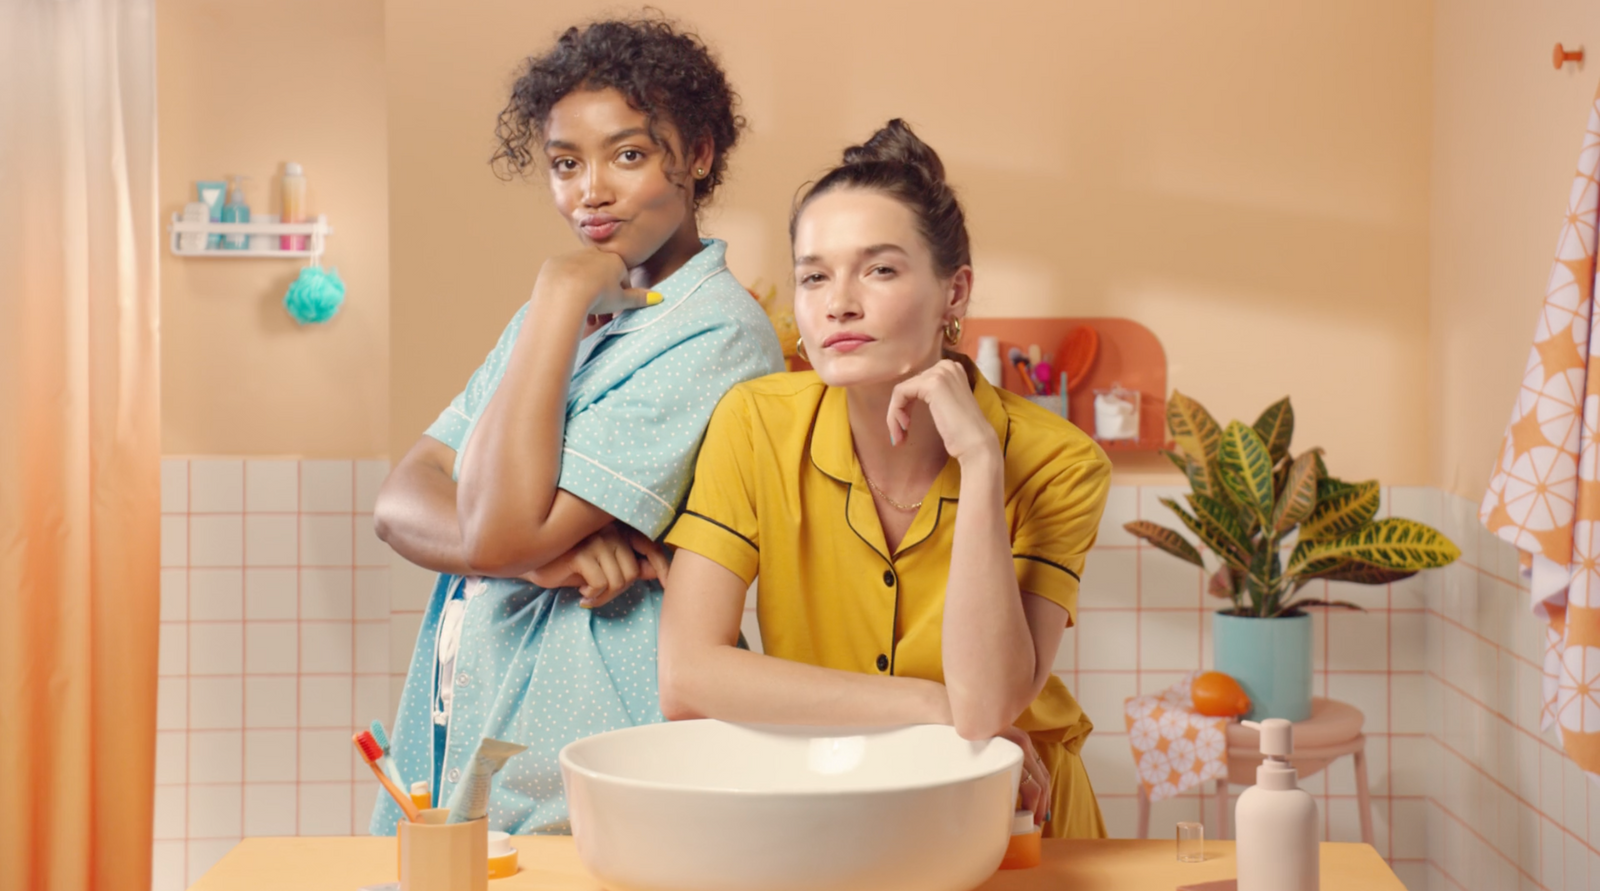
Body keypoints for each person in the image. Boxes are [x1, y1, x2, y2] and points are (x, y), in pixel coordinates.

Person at [368, 16, 781, 835]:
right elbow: (400, 499)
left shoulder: (716, 333)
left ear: (696, 153)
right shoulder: (552, 320)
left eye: (628, 154)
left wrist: (559, 295)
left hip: (593, 737)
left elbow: (498, 529)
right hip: (476, 710)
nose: (590, 190)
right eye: (566, 164)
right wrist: (542, 557)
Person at [658, 120, 1111, 838]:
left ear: (953, 292)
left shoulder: (1058, 462)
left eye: (880, 269)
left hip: (1019, 818)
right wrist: (928, 705)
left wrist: (983, 466)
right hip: (842, 806)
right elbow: (687, 676)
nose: (838, 301)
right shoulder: (755, 425)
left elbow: (987, 702)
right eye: (814, 274)